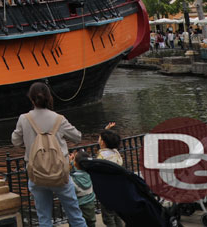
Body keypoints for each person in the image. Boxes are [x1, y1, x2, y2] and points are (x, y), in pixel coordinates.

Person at [11, 81, 86, 227]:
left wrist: (28, 141)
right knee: (75, 216)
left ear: (31, 99)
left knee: (43, 218)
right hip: (60, 173)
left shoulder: (24, 119)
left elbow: (15, 141)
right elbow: (77, 137)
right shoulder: (59, 119)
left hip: (37, 174)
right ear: (49, 98)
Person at [97, 124, 124, 227]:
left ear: (103, 142)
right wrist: (106, 130)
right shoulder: (115, 152)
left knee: (108, 216)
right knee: (117, 213)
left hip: (107, 190)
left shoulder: (102, 156)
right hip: (118, 187)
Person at [69, 151, 97, 227]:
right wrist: (73, 161)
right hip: (90, 203)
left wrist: (70, 162)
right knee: (91, 222)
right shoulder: (89, 173)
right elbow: (78, 168)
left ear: (75, 163)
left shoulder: (72, 179)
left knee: (76, 222)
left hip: (78, 205)